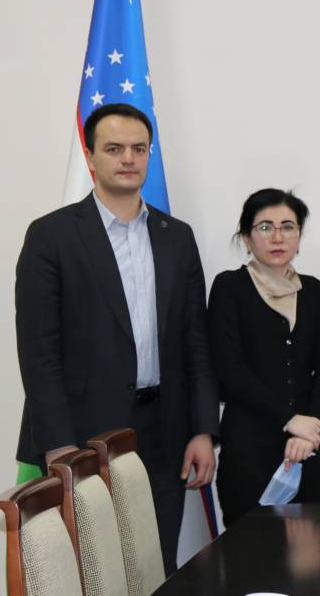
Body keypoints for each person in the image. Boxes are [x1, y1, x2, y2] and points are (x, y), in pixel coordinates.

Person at [14, 103, 218, 574]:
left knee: (155, 565)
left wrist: (203, 429)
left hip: (166, 434)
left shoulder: (177, 237)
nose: (128, 158)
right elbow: (39, 353)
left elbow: (196, 342)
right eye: (114, 148)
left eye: (139, 149)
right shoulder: (51, 236)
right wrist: (59, 445)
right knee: (93, 571)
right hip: (82, 436)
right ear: (90, 157)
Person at [208, 189, 320, 527]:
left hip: (308, 448)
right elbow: (230, 369)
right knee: (251, 551)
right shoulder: (229, 287)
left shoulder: (313, 290)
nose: (277, 237)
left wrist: (309, 428)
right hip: (249, 449)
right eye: (265, 227)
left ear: (299, 236)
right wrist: (289, 420)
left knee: (310, 552)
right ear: (246, 238)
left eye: (288, 227)